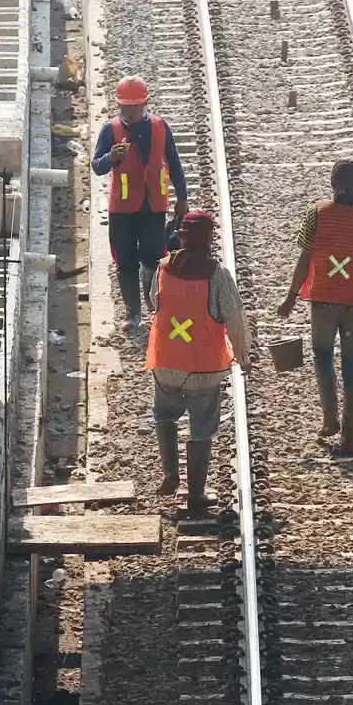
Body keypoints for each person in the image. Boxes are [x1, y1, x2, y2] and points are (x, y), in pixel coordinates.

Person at [277, 158, 353, 457]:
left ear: (333, 185)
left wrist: (291, 296)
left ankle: (329, 417)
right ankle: (349, 438)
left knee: (322, 355)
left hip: (324, 300)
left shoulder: (316, 214)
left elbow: (304, 258)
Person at [146, 211, 251, 506]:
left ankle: (170, 473)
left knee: (164, 413)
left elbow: (155, 301)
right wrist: (243, 355)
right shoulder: (217, 274)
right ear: (208, 239)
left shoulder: (163, 268)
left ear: (182, 237)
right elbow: (234, 318)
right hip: (204, 367)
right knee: (202, 424)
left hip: (166, 362)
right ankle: (195, 493)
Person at [91, 76, 189, 331]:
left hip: (153, 207)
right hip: (122, 210)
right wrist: (110, 158)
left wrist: (182, 198)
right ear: (119, 105)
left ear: (145, 103)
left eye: (135, 106)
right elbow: (97, 166)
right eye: (126, 107)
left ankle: (154, 305)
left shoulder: (159, 127)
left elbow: (175, 164)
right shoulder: (110, 130)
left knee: (154, 259)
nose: (131, 111)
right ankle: (132, 312)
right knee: (125, 260)